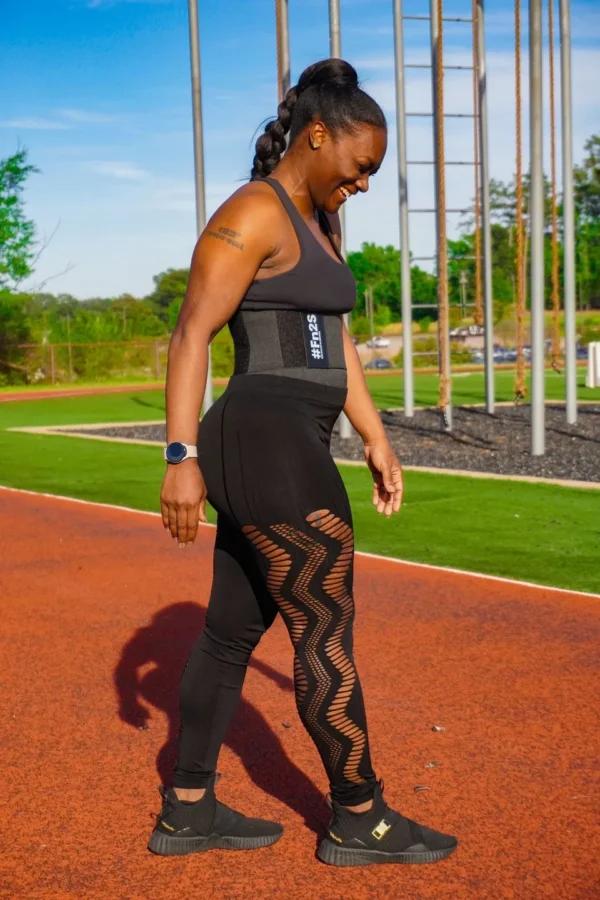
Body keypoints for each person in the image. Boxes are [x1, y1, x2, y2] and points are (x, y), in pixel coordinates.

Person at [149, 58, 458, 867]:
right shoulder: (253, 213)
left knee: (228, 633)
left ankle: (187, 810)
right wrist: (179, 455)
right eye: (360, 167)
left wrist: (376, 435)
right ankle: (360, 816)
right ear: (318, 135)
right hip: (264, 435)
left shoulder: (316, 223)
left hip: (294, 439)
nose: (362, 183)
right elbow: (190, 335)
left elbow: (336, 342)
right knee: (325, 632)